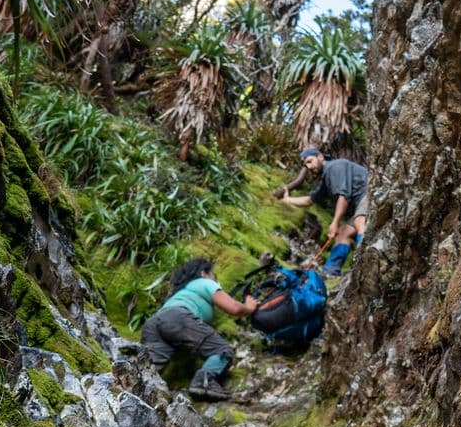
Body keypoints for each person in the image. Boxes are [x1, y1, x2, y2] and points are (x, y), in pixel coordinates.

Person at [139, 256, 257, 402]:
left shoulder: (180, 294)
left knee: (148, 372)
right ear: (203, 273)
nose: (216, 280)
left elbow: (189, 333)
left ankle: (134, 393)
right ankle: (203, 383)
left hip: (154, 323)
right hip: (178, 318)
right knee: (223, 350)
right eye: (214, 275)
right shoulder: (203, 282)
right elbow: (234, 308)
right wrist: (249, 307)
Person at [277, 147, 368, 273]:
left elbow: (344, 196)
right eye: (305, 165)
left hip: (372, 192)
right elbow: (309, 200)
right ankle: (330, 271)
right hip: (361, 204)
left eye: (310, 161)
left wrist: (335, 222)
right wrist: (287, 200)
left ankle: (366, 263)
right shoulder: (326, 179)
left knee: (360, 221)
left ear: (320, 157)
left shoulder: (336, 166)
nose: (308, 167)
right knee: (342, 233)